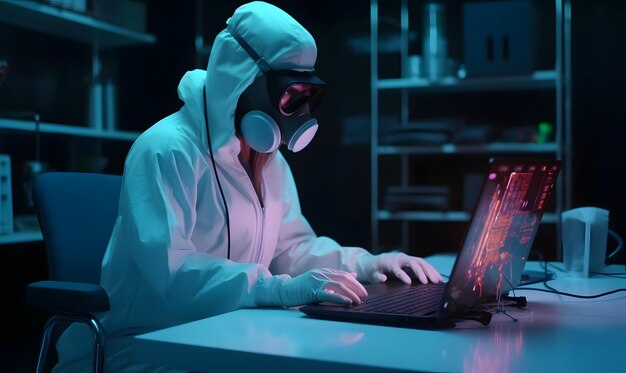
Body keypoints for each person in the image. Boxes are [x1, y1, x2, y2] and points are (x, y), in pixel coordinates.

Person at [53, 2, 443, 372]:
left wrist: (368, 265)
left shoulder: (268, 160)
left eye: (307, 97)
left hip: (226, 333)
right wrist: (274, 290)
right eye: (288, 95)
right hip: (139, 345)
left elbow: (292, 249)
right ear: (241, 80)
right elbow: (168, 274)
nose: (299, 112)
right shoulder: (166, 150)